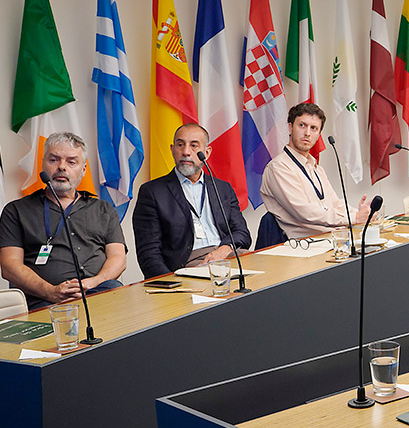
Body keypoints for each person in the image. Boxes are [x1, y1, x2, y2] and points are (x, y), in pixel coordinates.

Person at [0, 133, 126, 309]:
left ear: (83, 169)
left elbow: (118, 258)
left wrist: (92, 283)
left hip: (98, 293)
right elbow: (9, 265)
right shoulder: (16, 211)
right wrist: (50, 291)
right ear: (43, 164)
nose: (61, 167)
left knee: (116, 291)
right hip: (42, 301)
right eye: (54, 160)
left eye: (71, 162)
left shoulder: (104, 209)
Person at [132, 124, 251, 279]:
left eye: (194, 146)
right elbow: (148, 253)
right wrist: (170, 284)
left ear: (206, 153)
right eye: (180, 145)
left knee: (264, 271)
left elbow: (242, 233)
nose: (186, 152)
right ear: (172, 150)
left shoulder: (222, 188)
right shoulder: (153, 192)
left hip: (226, 254)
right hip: (188, 264)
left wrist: (225, 249)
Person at [261, 102, 372, 239]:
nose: (307, 133)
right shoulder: (279, 167)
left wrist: (362, 213)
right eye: (302, 125)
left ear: (319, 134)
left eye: (313, 128)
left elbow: (335, 204)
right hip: (301, 245)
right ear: (290, 127)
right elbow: (305, 212)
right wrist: (354, 218)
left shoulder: (316, 168)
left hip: (328, 239)